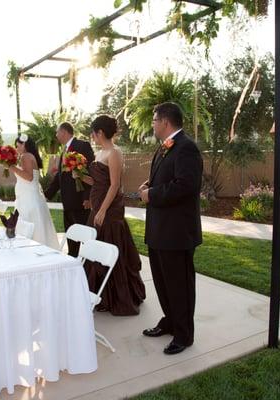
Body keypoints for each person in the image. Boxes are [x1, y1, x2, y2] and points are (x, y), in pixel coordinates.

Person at [137, 102, 203, 355]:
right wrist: (149, 185)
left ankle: (184, 335)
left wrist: (152, 194)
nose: (152, 125)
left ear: (165, 122)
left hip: (177, 233)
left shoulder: (186, 148)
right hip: (159, 231)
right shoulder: (164, 148)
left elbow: (186, 186)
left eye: (154, 120)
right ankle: (170, 321)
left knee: (180, 286)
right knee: (163, 283)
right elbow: (167, 179)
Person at [80, 115, 145, 316]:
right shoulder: (100, 153)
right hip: (98, 205)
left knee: (109, 244)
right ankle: (99, 293)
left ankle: (115, 296)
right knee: (95, 247)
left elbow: (115, 185)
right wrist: (79, 175)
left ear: (99, 132)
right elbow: (97, 182)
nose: (92, 136)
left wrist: (102, 210)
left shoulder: (114, 153)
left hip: (109, 209)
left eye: (93, 132)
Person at [44, 122, 95, 257]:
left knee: (85, 237)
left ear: (65, 132)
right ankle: (73, 263)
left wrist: (87, 197)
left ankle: (91, 267)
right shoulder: (63, 152)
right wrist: (47, 194)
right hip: (67, 203)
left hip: (80, 202)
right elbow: (60, 178)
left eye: (57, 132)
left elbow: (90, 171)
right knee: (71, 237)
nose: (56, 135)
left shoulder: (82, 146)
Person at [9, 133, 60, 250]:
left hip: (29, 202)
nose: (17, 149)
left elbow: (29, 177)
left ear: (24, 145)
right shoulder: (31, 156)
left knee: (30, 229)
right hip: (30, 198)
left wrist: (12, 167)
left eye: (18, 146)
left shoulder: (26, 156)